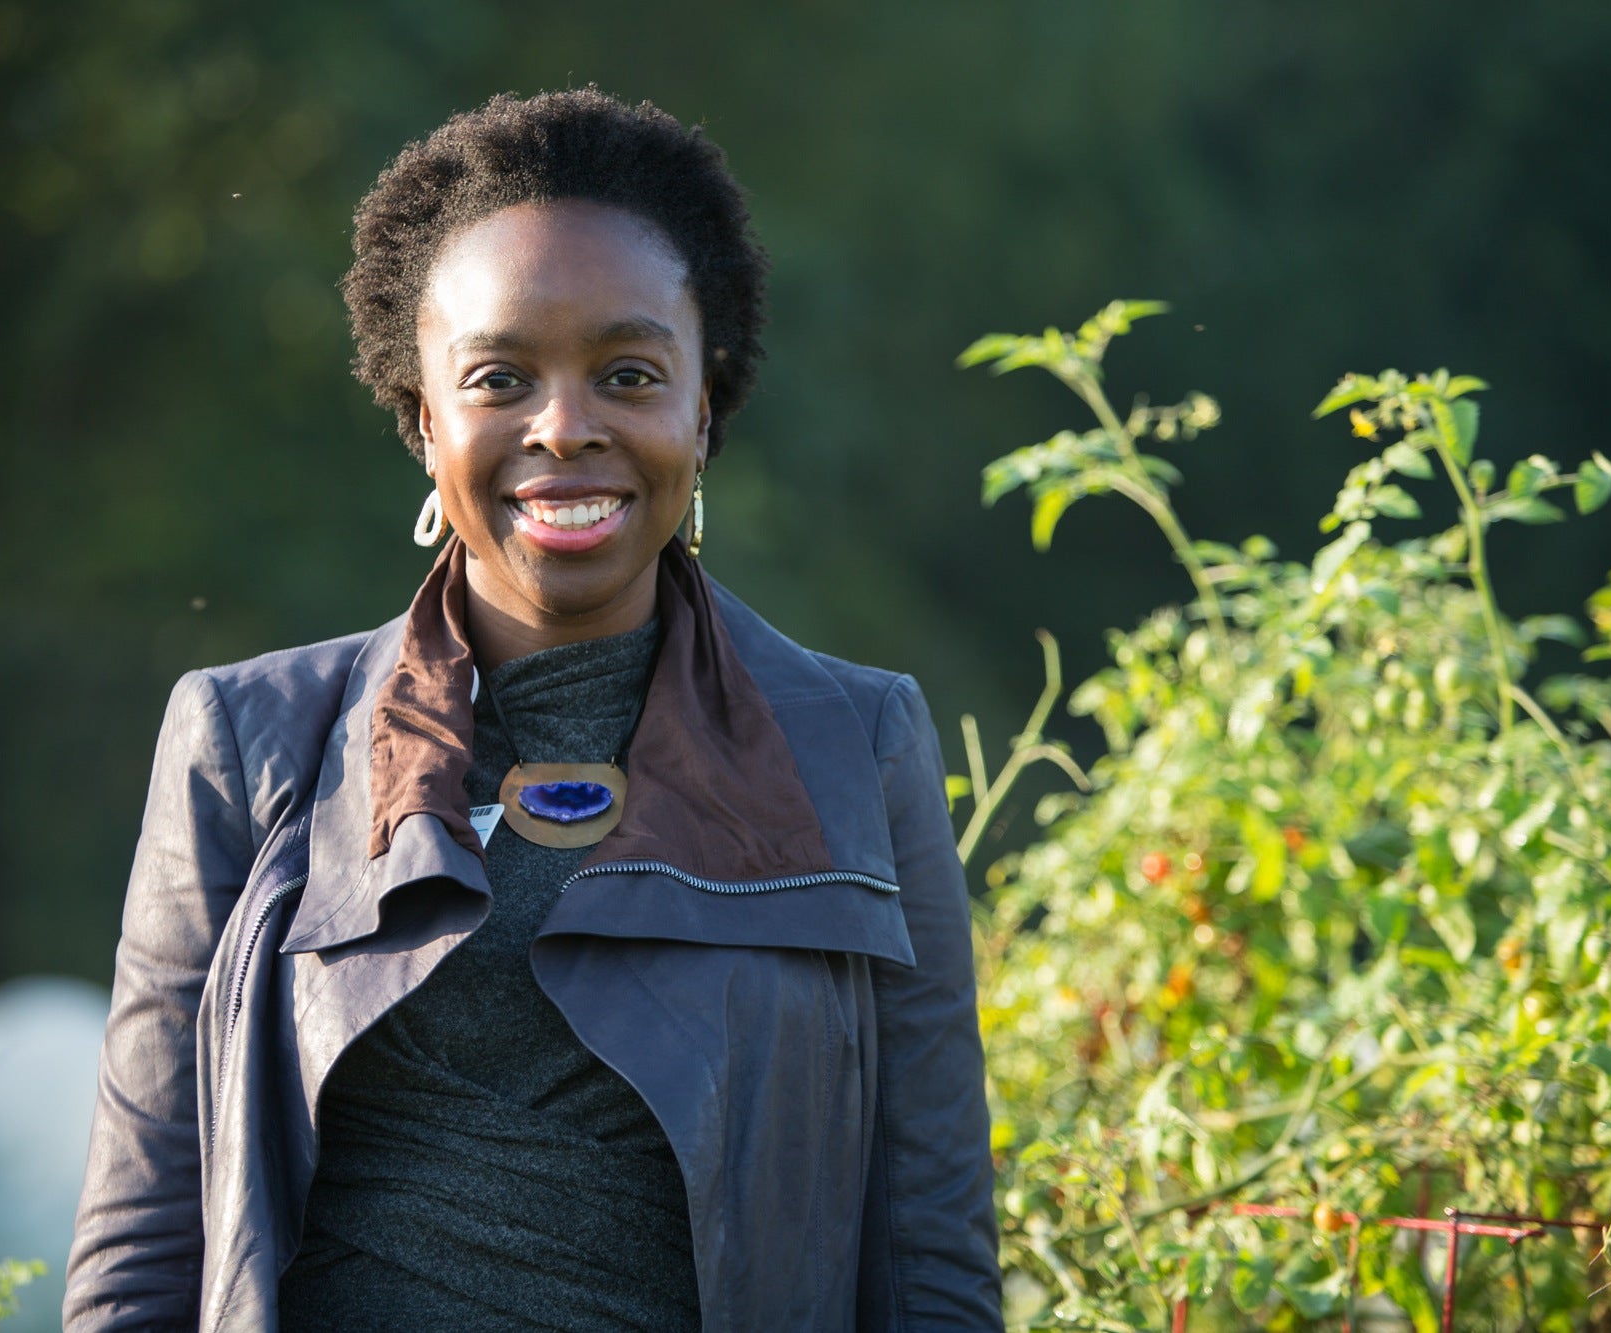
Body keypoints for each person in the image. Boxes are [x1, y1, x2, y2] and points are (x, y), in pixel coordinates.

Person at [64, 88, 1001, 1332]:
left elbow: (929, 1254)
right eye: (499, 377)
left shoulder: (855, 742)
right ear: (420, 416)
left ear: (705, 406)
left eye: (627, 373)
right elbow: (142, 1252)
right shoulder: (247, 741)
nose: (564, 428)